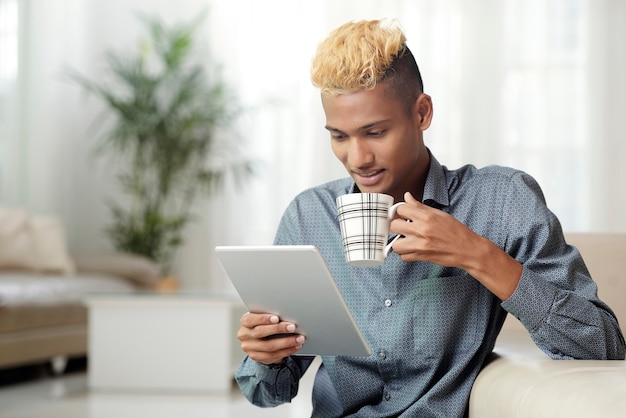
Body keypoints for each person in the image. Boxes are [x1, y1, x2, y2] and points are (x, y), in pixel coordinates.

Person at [234, 19, 625, 417]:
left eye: (375, 132)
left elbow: (604, 347)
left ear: (421, 113)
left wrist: (477, 255)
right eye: (339, 136)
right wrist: (266, 354)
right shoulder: (308, 217)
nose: (357, 158)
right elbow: (268, 393)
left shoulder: (500, 201)